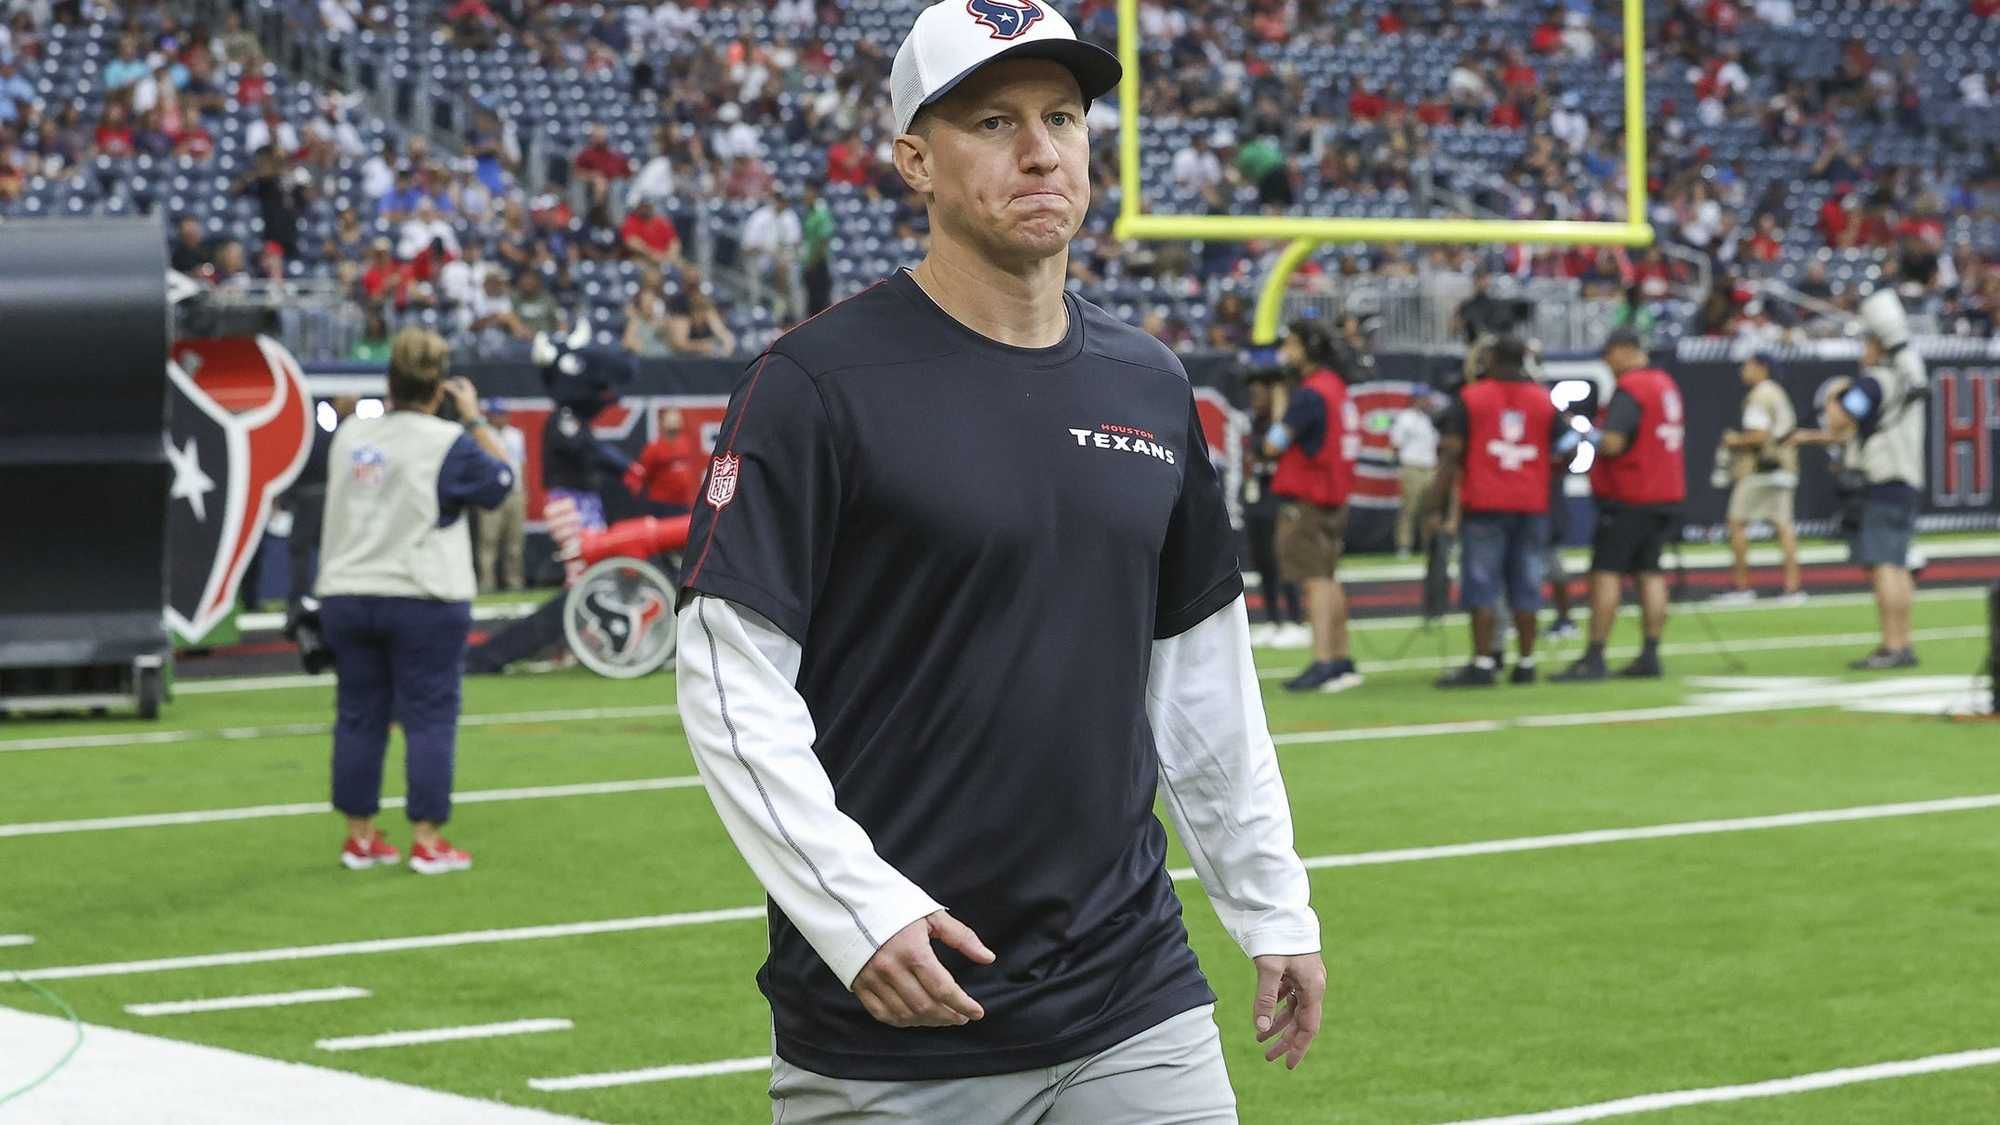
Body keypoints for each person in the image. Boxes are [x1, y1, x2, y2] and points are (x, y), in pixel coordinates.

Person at [674, 4, 1325, 1120]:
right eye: (992, 122)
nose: (1039, 151)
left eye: (1061, 118)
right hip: (898, 1015)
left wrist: (1272, 906)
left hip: (1132, 993)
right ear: (914, 161)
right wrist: (858, 910)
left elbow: (1202, 682)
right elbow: (729, 677)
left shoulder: (1149, 382)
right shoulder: (814, 384)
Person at [314, 328, 515, 874]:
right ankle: (426, 838)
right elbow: (502, 480)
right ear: (439, 388)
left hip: (348, 590)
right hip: (422, 593)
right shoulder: (446, 441)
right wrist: (473, 418)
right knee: (429, 717)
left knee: (358, 716)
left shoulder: (351, 433)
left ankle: (359, 836)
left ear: (390, 381)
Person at [1789, 291, 1928, 668]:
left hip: (1882, 481)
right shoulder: (1904, 380)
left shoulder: (1875, 382)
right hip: (1905, 480)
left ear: (1879, 346)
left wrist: (1837, 395)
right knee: (1898, 564)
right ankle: (1904, 643)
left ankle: (1892, 646)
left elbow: (1839, 419)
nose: (1862, 351)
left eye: (1867, 343)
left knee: (1883, 564)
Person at [1426, 336, 1572, 687]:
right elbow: (1569, 445)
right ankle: (1526, 662)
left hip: (1485, 503)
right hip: (1530, 502)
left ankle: (1483, 662)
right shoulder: (1542, 400)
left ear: (1490, 359)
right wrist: (1548, 472)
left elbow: (1451, 454)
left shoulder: (1471, 398)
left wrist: (1435, 504)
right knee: (1527, 583)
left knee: (1482, 583)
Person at [1555, 328, 1687, 682]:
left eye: (1609, 353)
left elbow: (1614, 442)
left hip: (1631, 492)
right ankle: (1650, 653)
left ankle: (1595, 655)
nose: (1606, 361)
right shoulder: (1664, 384)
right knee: (1649, 572)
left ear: (1626, 350)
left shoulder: (1633, 387)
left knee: (1606, 572)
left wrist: (1584, 434)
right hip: (1664, 491)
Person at [1266, 320, 1362, 692]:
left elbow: (1273, 444)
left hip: (1308, 498)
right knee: (1328, 577)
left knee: (1315, 581)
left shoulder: (1310, 393)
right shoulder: (1336, 387)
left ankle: (1323, 661)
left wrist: (1279, 399)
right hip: (1335, 496)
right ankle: (1339, 658)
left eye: (1292, 344)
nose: (1286, 353)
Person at [1713, 351, 1805, 604]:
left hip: (1761, 468)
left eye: (1748, 365)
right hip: (1784, 467)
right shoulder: (1776, 392)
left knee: (1736, 523)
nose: (1743, 370)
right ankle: (1793, 588)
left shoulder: (1760, 395)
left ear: (1761, 367)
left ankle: (1742, 586)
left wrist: (1733, 441)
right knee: (1783, 525)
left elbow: (1758, 435)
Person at [1242, 364, 1307, 647]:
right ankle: (1273, 620)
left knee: (1282, 558)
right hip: (1258, 495)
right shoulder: (1255, 422)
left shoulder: (1286, 422)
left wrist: (1280, 403)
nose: (1255, 398)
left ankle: (1296, 620)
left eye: (1261, 392)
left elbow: (1272, 448)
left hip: (1281, 497)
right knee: (1262, 560)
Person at [475, 401, 527, 592]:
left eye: (503, 413)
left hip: (515, 492)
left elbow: (522, 464)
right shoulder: (482, 434)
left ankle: (514, 582)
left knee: (515, 541)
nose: (501, 418)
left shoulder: (516, 435)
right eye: (497, 414)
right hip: (491, 493)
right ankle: (486, 583)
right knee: (488, 540)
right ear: (489, 415)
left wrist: (525, 490)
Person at [623, 406, 704, 515]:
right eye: (670, 419)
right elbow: (641, 474)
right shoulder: (654, 448)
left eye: (677, 419)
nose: (674, 422)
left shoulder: (686, 444)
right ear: (661, 422)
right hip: (662, 504)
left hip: (683, 502)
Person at [1388, 390, 1440, 560]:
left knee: (1429, 508)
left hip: (1430, 467)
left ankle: (1429, 546)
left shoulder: (1430, 419)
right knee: (1409, 508)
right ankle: (1404, 545)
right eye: (1425, 398)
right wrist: (1395, 462)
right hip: (1412, 466)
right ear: (1416, 399)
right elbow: (1396, 443)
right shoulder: (1405, 418)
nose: (1428, 402)